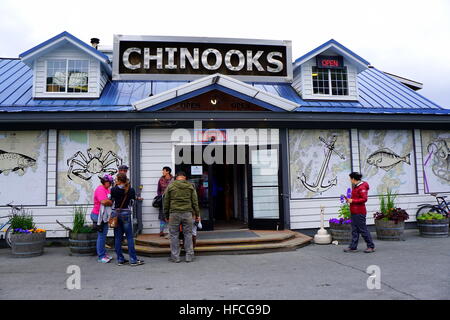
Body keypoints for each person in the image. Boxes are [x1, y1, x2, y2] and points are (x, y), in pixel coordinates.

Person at [163, 171, 200, 263]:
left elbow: (166, 202)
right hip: (187, 213)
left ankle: (175, 257)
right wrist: (197, 215)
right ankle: (189, 256)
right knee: (188, 234)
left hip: (174, 213)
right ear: (185, 177)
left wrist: (166, 215)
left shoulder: (171, 186)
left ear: (176, 177)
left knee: (174, 235)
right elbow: (195, 202)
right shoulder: (190, 186)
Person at [110, 173, 144, 266]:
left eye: (116, 179)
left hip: (116, 213)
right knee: (129, 237)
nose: (115, 180)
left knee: (117, 238)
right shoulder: (130, 189)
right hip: (126, 213)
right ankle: (133, 260)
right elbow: (132, 201)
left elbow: (111, 200)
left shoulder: (113, 189)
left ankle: (120, 259)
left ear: (119, 180)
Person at [344, 172, 376, 253]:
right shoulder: (357, 186)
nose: (350, 180)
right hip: (354, 211)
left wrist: (352, 200)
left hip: (359, 212)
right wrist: (349, 200)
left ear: (353, 179)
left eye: (350, 179)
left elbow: (364, 199)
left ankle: (371, 246)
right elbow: (357, 198)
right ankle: (353, 247)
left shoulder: (362, 187)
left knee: (363, 230)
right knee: (354, 230)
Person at [91, 174, 114, 263]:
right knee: (101, 236)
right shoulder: (100, 189)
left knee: (103, 236)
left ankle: (103, 254)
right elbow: (104, 202)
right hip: (98, 215)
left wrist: (109, 201)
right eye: (110, 183)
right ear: (106, 182)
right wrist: (111, 202)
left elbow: (108, 200)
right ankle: (101, 257)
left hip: (102, 215)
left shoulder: (106, 189)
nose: (111, 185)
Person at [157, 167, 174, 237]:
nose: (162, 172)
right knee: (162, 215)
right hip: (163, 200)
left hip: (172, 200)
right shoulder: (161, 179)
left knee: (171, 215)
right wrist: (160, 196)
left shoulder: (173, 179)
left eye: (163, 170)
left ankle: (171, 232)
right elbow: (158, 189)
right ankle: (161, 231)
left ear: (168, 172)